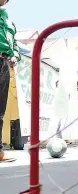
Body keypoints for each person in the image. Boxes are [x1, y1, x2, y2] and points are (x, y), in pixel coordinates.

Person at [0, 0, 21, 161]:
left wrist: (15, 55)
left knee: (1, 108)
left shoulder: (10, 23)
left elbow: (15, 45)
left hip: (5, 63)